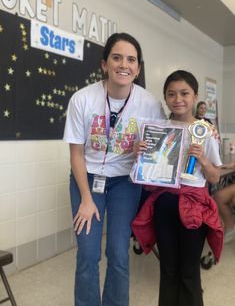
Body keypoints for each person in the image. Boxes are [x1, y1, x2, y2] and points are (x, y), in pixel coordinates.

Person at [63, 32, 165, 306]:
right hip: (87, 180)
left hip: (125, 183)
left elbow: (161, 148)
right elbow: (76, 154)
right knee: (88, 253)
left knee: (119, 252)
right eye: (117, 57)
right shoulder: (82, 99)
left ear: (138, 68)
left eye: (131, 59)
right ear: (104, 64)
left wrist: (140, 153)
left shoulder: (150, 103)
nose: (124, 64)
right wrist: (85, 198)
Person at [132, 70, 223, 306]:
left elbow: (214, 177)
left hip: (194, 208)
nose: (178, 99)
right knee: (168, 270)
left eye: (184, 93)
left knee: (189, 272)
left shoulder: (207, 132)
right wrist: (141, 157)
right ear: (165, 98)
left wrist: (203, 160)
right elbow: (150, 185)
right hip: (164, 205)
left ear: (195, 96)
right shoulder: (158, 130)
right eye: (171, 94)